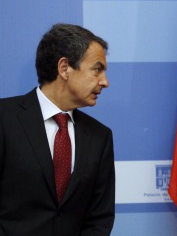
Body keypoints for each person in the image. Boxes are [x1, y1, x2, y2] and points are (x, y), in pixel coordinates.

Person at [0, 23, 115, 235]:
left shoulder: (100, 137)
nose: (105, 82)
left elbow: (99, 219)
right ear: (64, 68)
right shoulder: (4, 119)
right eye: (97, 69)